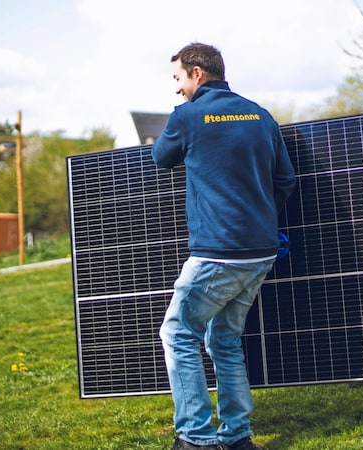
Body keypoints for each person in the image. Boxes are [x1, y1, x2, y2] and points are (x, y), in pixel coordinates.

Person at [152, 43, 296, 450]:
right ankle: (237, 437)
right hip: (261, 250)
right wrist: (258, 216)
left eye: (178, 78)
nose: (177, 89)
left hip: (218, 252)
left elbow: (161, 158)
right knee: (225, 341)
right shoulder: (260, 115)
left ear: (197, 73)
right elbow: (285, 180)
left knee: (178, 333)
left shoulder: (189, 116)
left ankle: (195, 437)